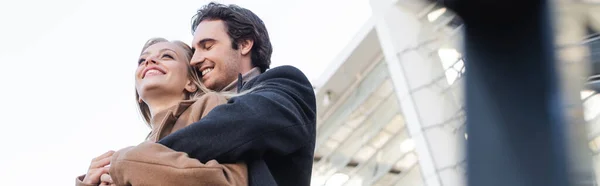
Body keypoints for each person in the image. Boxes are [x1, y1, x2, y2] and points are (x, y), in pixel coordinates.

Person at [154, 2, 317, 186]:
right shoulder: (198, 110)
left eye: (207, 46)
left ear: (244, 44)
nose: (194, 60)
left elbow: (243, 124)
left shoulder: (287, 83)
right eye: (194, 51)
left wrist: (145, 157)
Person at [76, 38, 248, 186]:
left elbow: (232, 181)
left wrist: (128, 163)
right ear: (139, 96)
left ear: (190, 82)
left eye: (167, 56)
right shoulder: (138, 152)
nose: (149, 62)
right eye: (142, 60)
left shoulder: (211, 104)